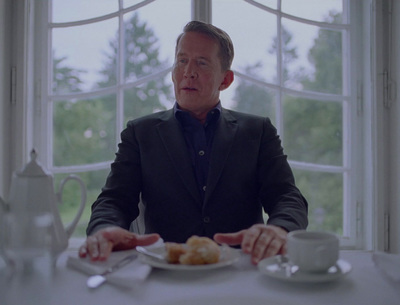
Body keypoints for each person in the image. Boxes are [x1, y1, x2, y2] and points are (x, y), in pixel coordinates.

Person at [79, 21, 308, 265]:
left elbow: (287, 197)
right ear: (173, 72)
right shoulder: (140, 132)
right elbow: (113, 201)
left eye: (202, 62)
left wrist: (280, 229)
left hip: (241, 269)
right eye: (182, 60)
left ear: (226, 79)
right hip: (165, 272)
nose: (189, 71)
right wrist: (103, 229)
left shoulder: (258, 131)